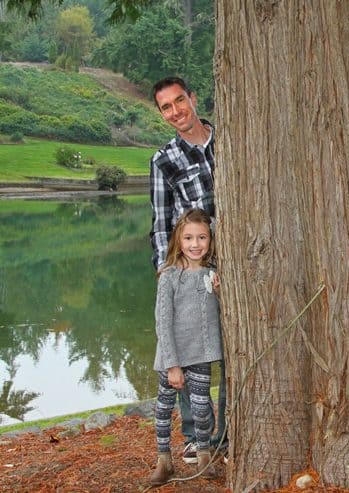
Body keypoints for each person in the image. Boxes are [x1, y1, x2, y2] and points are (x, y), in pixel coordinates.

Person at [149, 76, 226, 464]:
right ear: (162, 114)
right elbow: (162, 223)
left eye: (180, 100)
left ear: (193, 99)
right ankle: (195, 437)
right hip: (193, 268)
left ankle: (225, 435)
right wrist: (169, 275)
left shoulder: (229, 136)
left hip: (240, 266)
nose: (176, 110)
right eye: (166, 107)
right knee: (189, 348)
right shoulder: (163, 160)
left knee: (229, 352)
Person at [150, 208, 221, 485]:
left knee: (202, 409)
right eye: (189, 238)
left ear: (210, 240)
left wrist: (219, 291)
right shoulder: (168, 276)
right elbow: (163, 323)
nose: (195, 244)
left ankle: (204, 454)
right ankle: (164, 461)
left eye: (202, 237)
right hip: (173, 358)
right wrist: (172, 365)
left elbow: (224, 314)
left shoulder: (212, 273)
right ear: (178, 240)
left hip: (202, 355)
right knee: (164, 410)